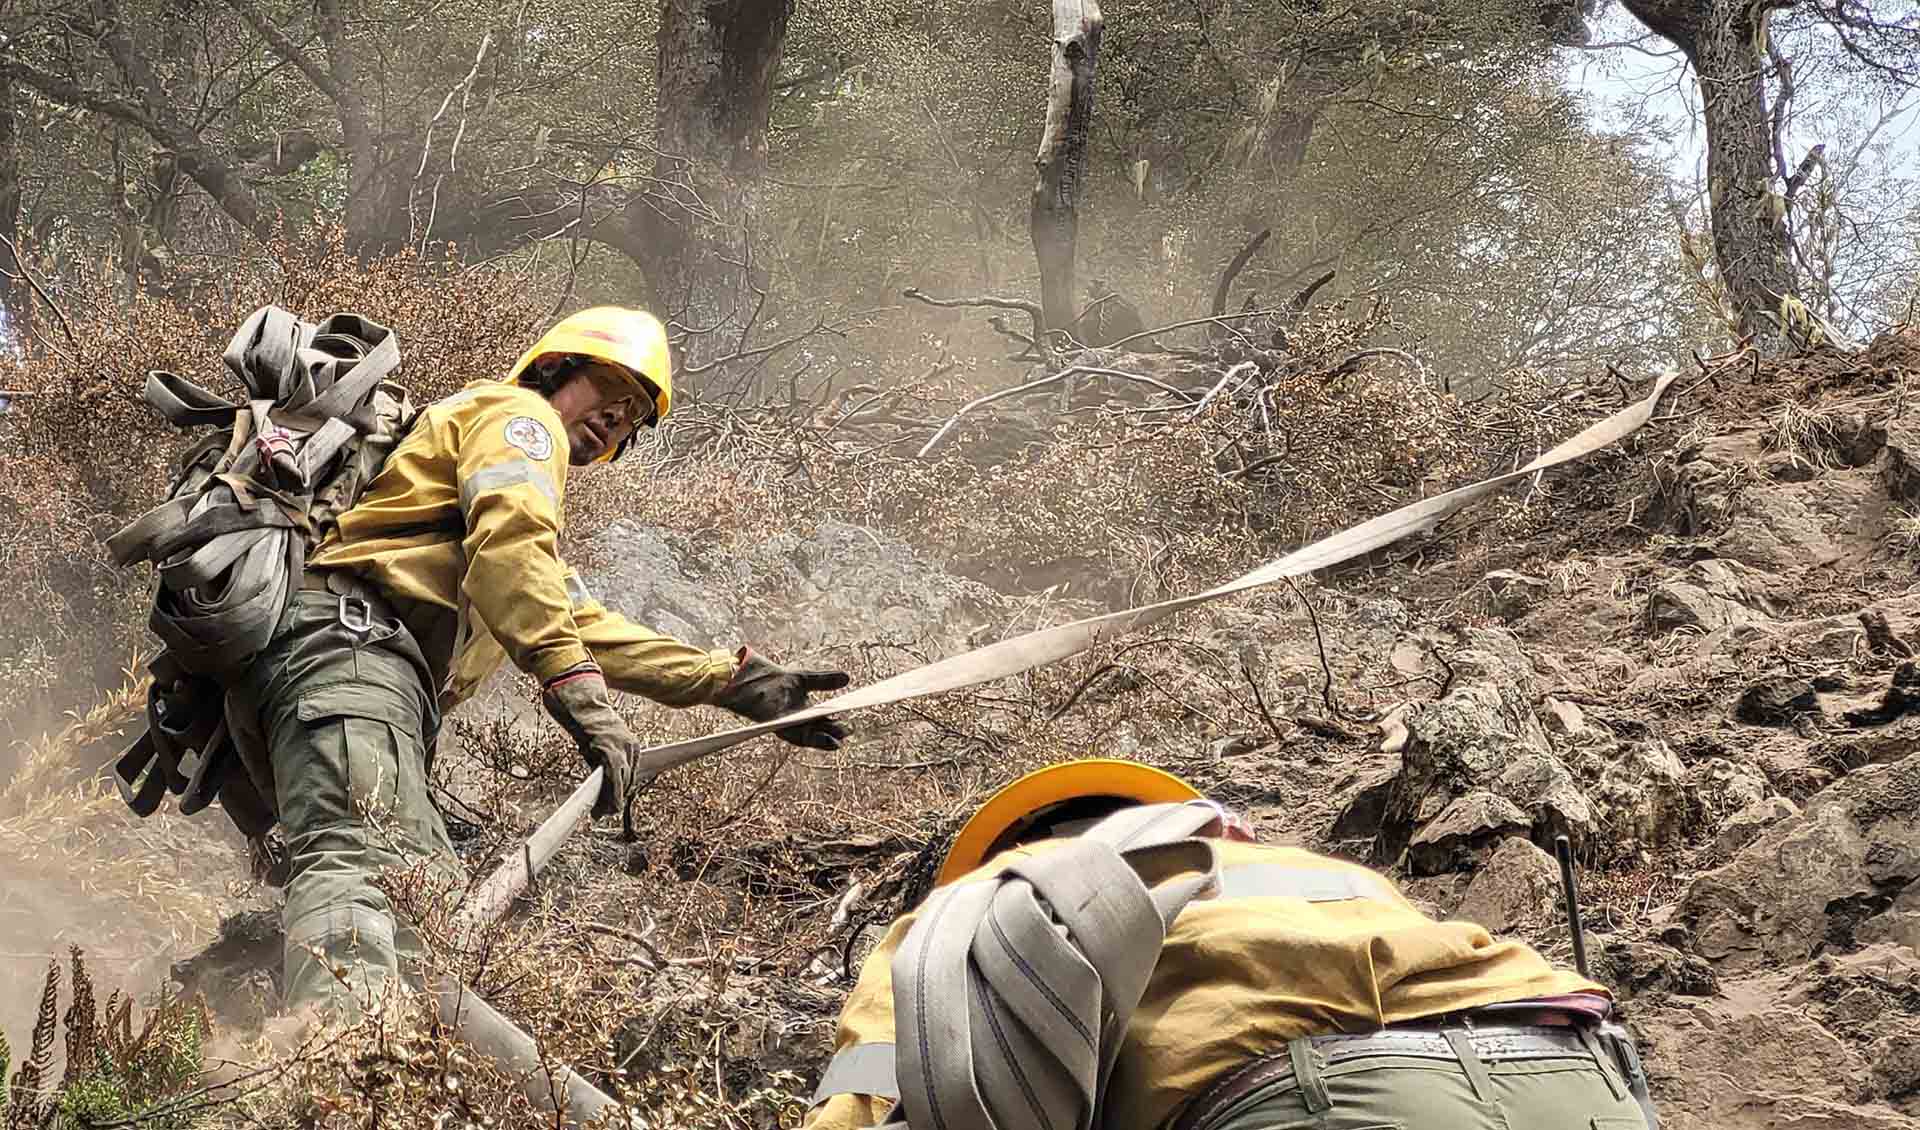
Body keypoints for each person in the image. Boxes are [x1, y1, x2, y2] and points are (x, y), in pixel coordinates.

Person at [237, 305, 850, 1011]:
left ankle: (310, 1026)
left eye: (633, 417)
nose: (616, 418)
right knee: (366, 860)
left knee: (419, 887)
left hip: (344, 670)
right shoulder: (519, 419)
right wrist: (583, 701)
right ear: (555, 369)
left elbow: (572, 616)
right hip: (348, 657)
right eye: (612, 390)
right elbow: (512, 556)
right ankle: (336, 1051)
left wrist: (731, 680)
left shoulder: (491, 459)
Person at [804, 759, 1658, 1130]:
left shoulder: (985, 904)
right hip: (1581, 1074)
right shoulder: (1330, 875)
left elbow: (871, 1094)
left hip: (1323, 1105)